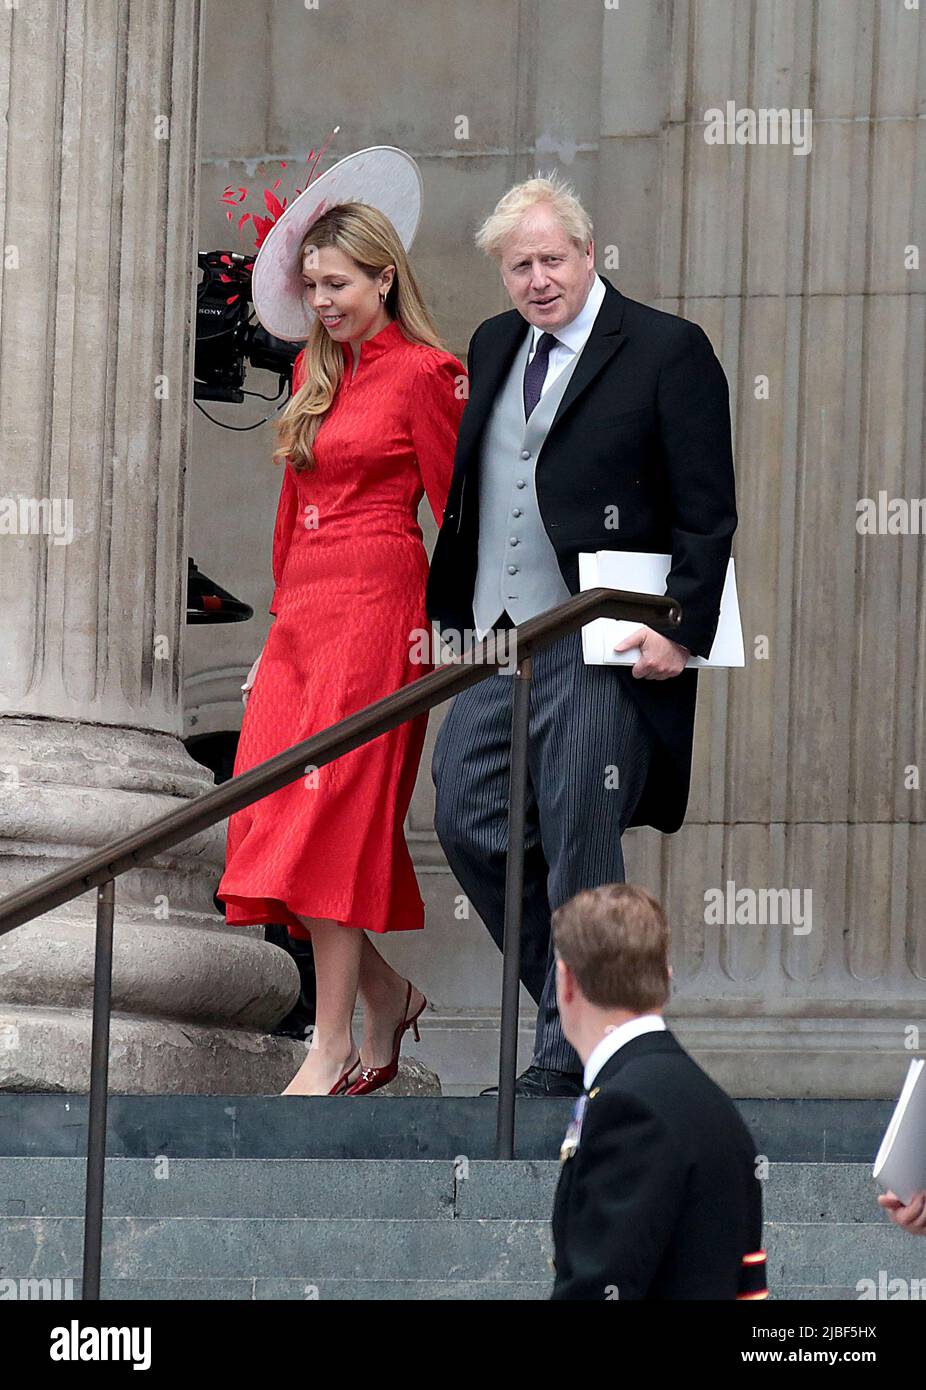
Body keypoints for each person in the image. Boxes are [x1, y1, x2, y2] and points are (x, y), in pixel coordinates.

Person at [426, 173, 737, 1096]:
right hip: (498, 635)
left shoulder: (666, 350)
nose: (536, 280)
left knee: (579, 823)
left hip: (599, 634)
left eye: (551, 259)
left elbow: (707, 509)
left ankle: (571, 1057)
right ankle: (601, 1018)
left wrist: (678, 629)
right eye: (519, 266)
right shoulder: (491, 345)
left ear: (589, 254)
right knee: (468, 813)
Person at [217, 155, 465, 1097]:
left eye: (339, 284)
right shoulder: (316, 380)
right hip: (303, 624)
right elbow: (288, 522)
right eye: (311, 286)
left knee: (332, 824)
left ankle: (326, 1048)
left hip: (380, 614)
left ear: (384, 276)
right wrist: (272, 638)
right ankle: (388, 993)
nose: (322, 302)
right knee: (268, 817)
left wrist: (454, 636)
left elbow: (463, 517)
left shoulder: (428, 374)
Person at [548, 883, 767, 1300]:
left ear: (567, 982)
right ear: (664, 977)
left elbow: (600, 1287)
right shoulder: (707, 1100)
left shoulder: (627, 1107)